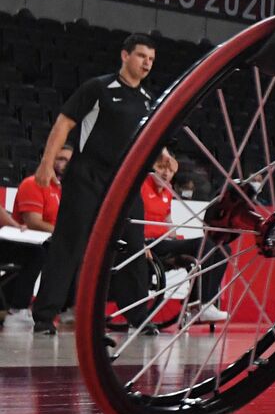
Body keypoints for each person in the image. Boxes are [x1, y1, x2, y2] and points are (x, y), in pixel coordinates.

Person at [29, 34, 157, 336]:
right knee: (68, 244)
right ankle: (45, 317)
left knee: (134, 248)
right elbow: (64, 123)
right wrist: (46, 163)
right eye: (141, 56)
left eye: (151, 59)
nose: (146, 63)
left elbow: (149, 141)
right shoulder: (98, 88)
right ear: (125, 56)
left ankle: (137, 316)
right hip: (87, 176)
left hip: (125, 182)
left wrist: (165, 157)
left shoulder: (149, 101)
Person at [140, 149, 229, 323]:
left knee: (222, 247)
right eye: (161, 168)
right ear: (153, 168)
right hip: (148, 243)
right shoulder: (142, 185)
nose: (166, 173)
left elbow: (167, 221)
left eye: (170, 171)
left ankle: (203, 304)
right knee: (204, 245)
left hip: (165, 241)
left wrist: (176, 236)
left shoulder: (167, 191)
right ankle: (198, 305)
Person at [0, 146, 73, 327]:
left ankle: (69, 307)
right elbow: (33, 222)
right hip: (29, 240)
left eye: (68, 161)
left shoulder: (64, 190)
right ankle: (18, 308)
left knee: (77, 250)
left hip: (42, 240)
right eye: (60, 159)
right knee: (40, 253)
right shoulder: (33, 183)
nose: (64, 165)